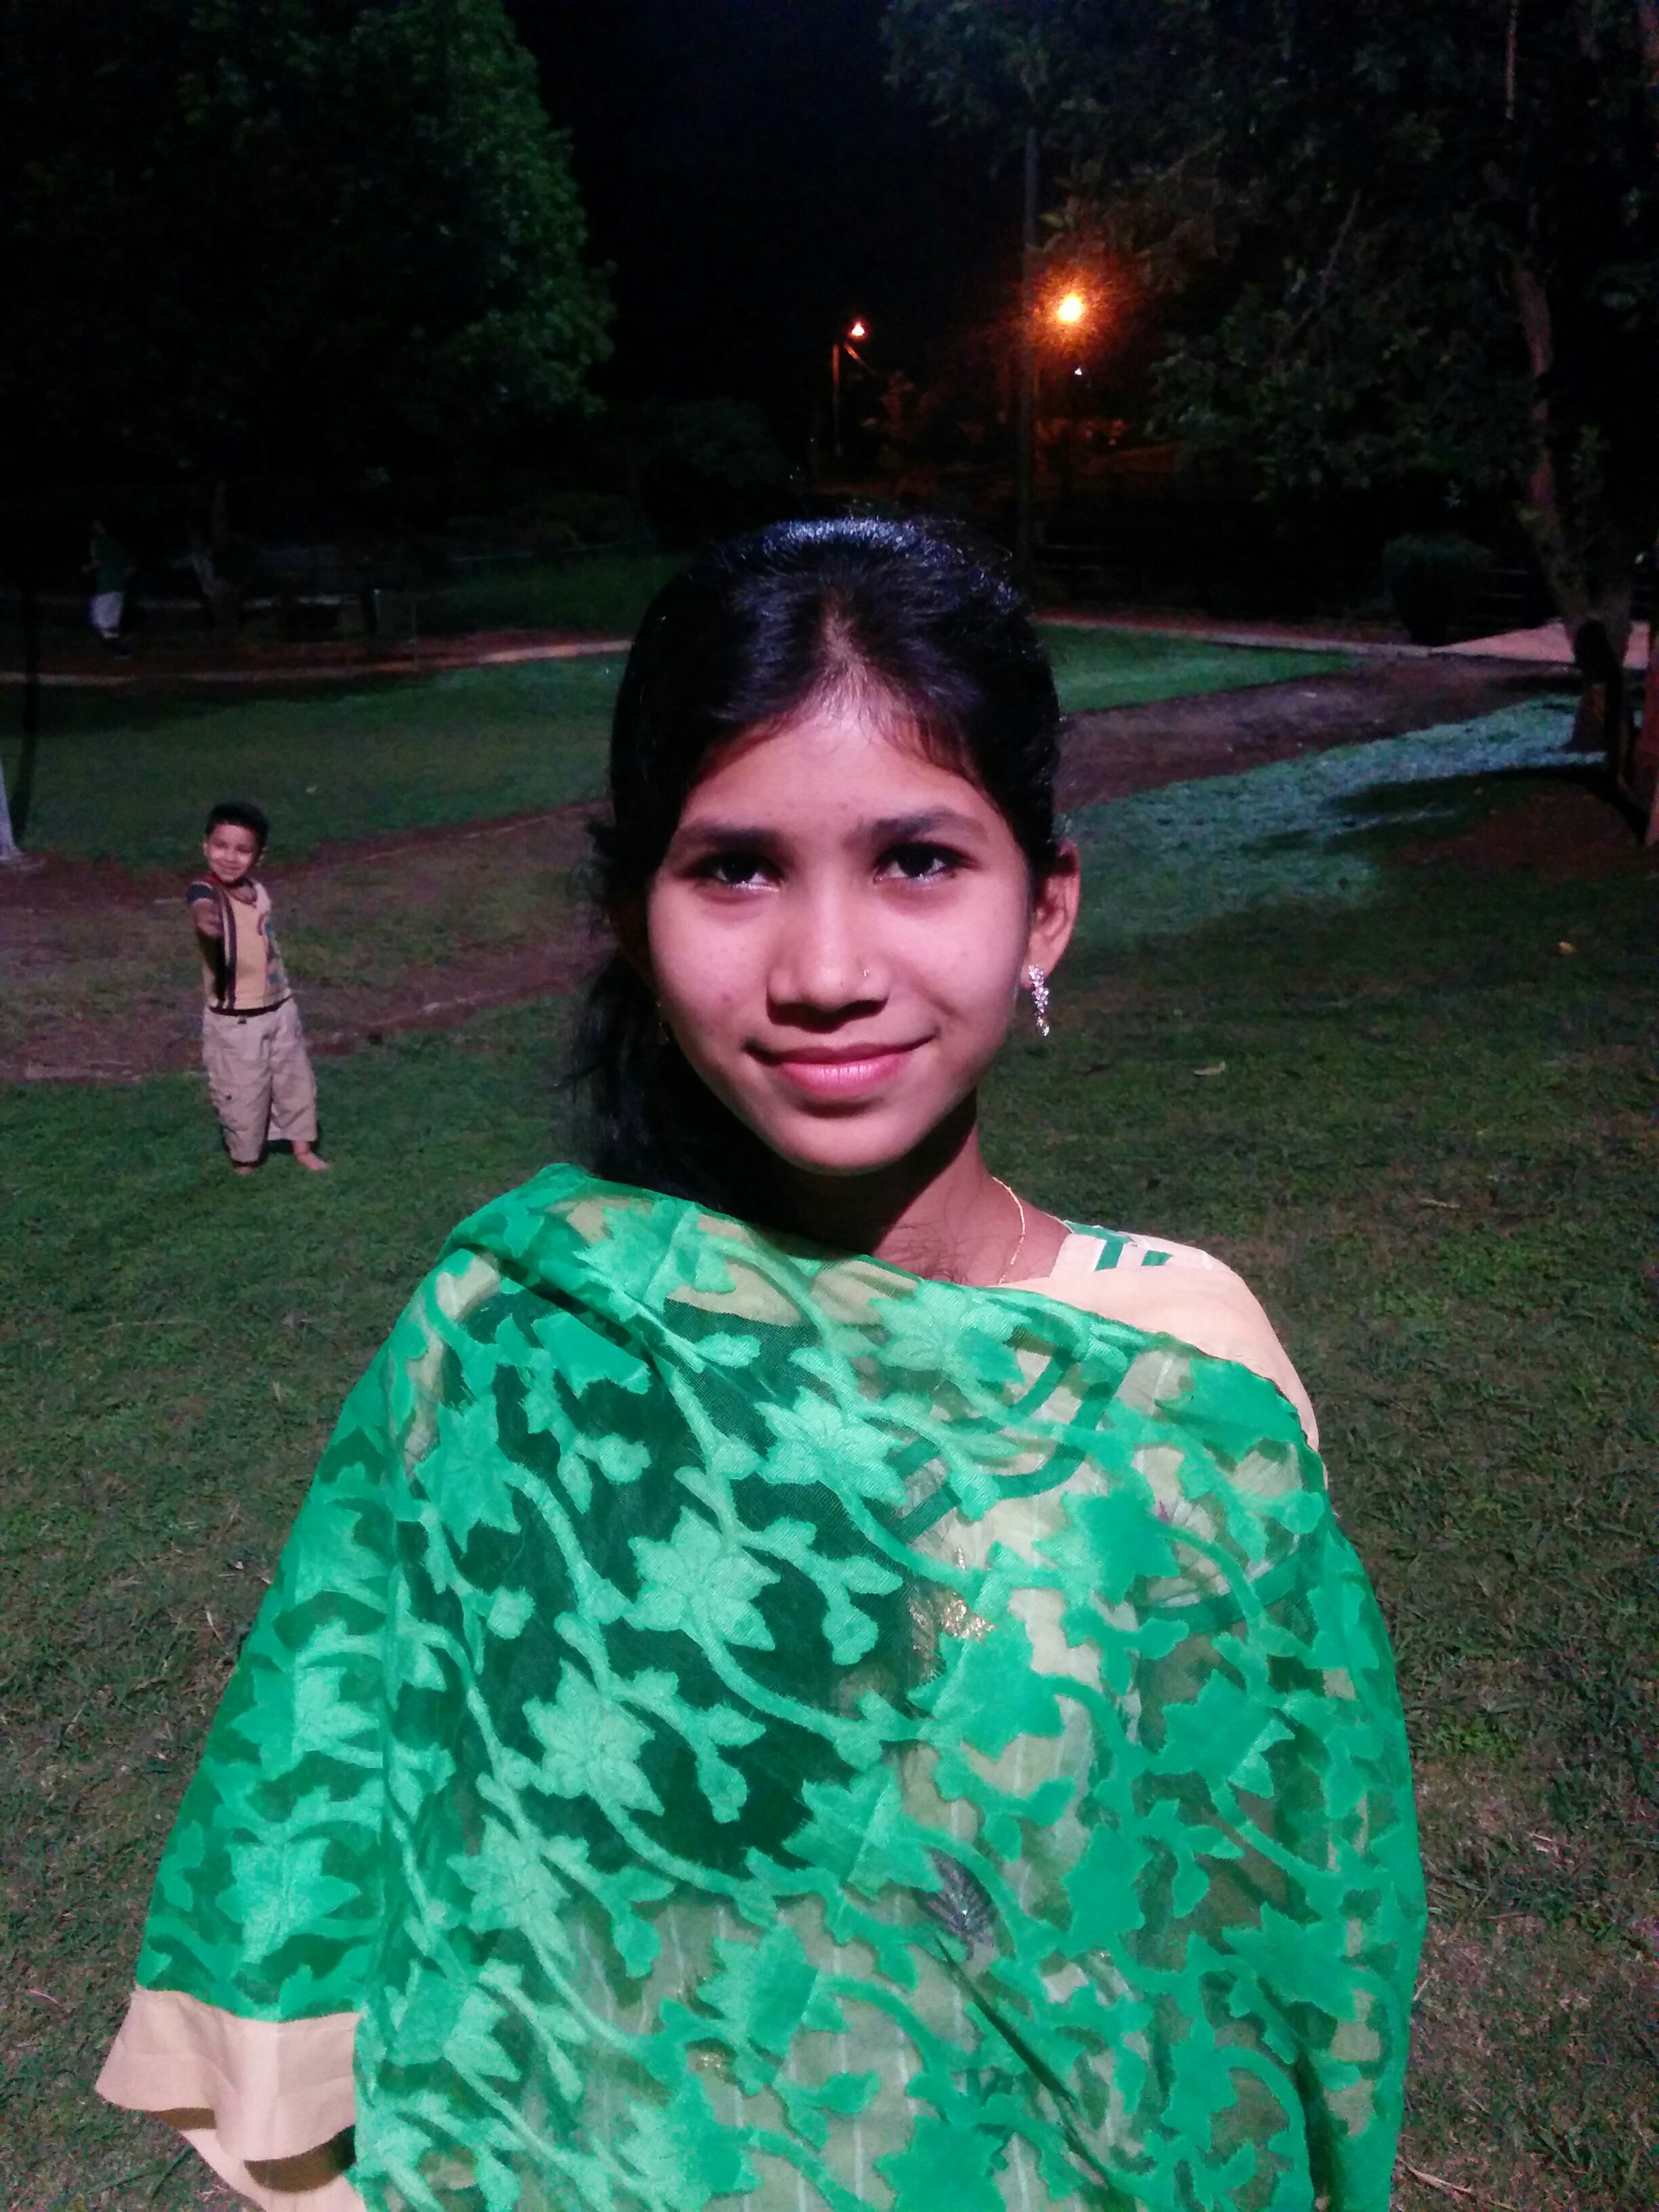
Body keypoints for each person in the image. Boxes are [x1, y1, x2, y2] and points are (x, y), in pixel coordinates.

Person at [99, 520, 1422, 2211]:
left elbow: (1271, 1928)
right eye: (734, 869)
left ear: (1045, 909)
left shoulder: (1188, 1385)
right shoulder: (521, 1333)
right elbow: (326, 1850)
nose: (825, 973)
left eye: (919, 860)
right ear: (631, 914)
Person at [187, 800, 327, 1175]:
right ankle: (245, 1160)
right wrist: (204, 919)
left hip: (280, 1006)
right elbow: (199, 902)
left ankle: (302, 1147)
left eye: (243, 850)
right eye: (221, 846)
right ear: (205, 847)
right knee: (243, 1092)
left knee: (294, 1081)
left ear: (258, 856)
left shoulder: (257, 890)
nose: (230, 857)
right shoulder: (206, 890)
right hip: (237, 1021)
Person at [87, 519, 130, 651]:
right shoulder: (119, 543)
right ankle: (116, 646)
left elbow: (97, 562)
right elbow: (128, 568)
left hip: (107, 583)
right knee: (111, 619)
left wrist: (88, 568)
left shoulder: (97, 542)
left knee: (99, 618)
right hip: (119, 584)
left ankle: (113, 645)